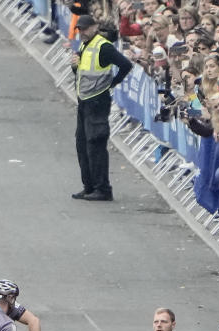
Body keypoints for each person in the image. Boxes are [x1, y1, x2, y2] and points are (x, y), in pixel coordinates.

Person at [71, 14, 133, 202]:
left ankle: (102, 188)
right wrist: (75, 67)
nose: (81, 32)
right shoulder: (84, 44)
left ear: (94, 27)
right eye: (80, 29)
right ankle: (89, 186)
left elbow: (125, 64)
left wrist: (112, 83)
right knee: (82, 144)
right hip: (85, 100)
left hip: (97, 101)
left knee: (95, 143)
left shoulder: (103, 46)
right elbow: (83, 71)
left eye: (85, 29)